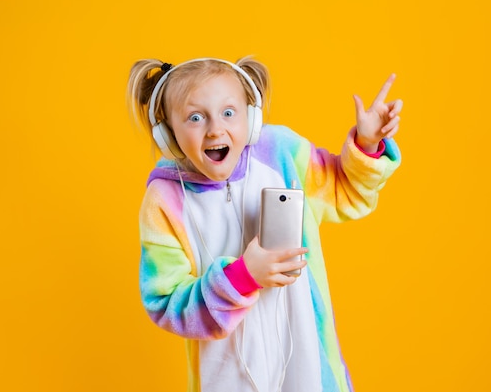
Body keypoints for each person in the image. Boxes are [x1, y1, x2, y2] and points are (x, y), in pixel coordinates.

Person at [126, 56, 402, 392]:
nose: (215, 129)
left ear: (251, 117)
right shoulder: (164, 201)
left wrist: (367, 145)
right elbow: (166, 303)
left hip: (308, 372)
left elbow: (343, 189)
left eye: (229, 112)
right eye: (195, 117)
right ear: (168, 133)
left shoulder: (280, 154)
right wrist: (241, 278)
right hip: (225, 381)